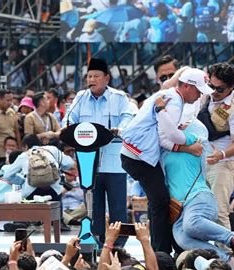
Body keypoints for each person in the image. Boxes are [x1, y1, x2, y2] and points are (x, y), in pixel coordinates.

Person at [121, 68, 212, 253]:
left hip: (137, 154)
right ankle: (160, 252)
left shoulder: (168, 95)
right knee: (160, 201)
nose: (199, 96)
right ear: (186, 86)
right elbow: (167, 137)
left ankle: (163, 248)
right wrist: (189, 145)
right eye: (198, 91)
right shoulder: (175, 102)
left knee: (161, 200)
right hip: (139, 156)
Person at [66, 58, 134, 246]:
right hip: (88, 160)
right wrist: (71, 126)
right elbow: (69, 118)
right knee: (93, 207)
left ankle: (118, 246)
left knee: (118, 208)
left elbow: (129, 117)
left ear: (107, 78)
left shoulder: (119, 97)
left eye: (96, 76)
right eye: (89, 76)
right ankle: (93, 243)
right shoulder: (80, 97)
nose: (91, 80)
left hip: (114, 161)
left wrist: (120, 129)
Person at [162, 118, 234, 260]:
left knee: (191, 224)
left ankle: (233, 238)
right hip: (180, 207)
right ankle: (225, 259)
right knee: (181, 238)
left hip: (199, 197)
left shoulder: (196, 142)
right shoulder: (164, 151)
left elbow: (181, 135)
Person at [197, 62, 234, 229]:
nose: (214, 91)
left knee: (219, 211)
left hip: (224, 164)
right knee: (198, 208)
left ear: (231, 87)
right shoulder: (206, 95)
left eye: (220, 89)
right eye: (211, 86)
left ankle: (225, 252)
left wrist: (222, 155)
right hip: (202, 158)